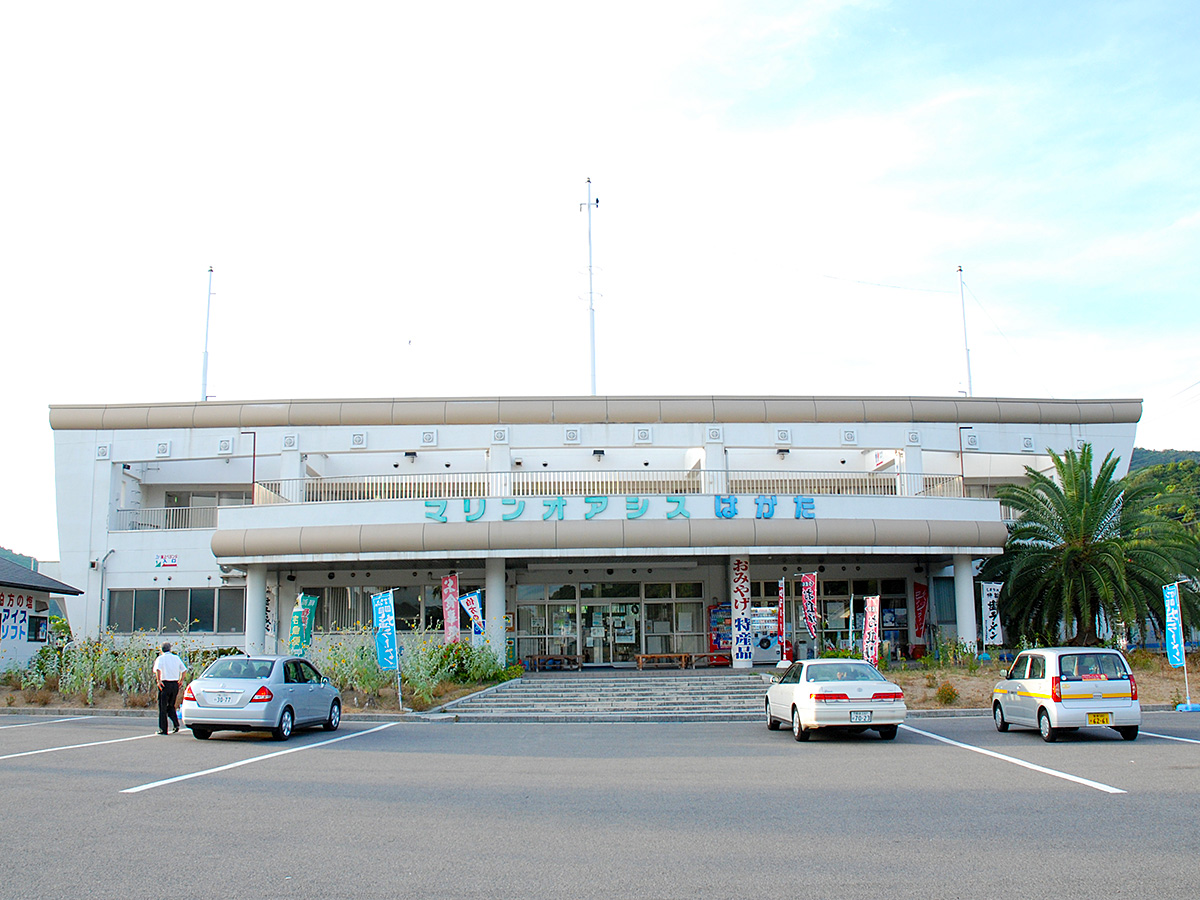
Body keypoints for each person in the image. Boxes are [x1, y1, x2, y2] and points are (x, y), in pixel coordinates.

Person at [152, 641, 188, 735]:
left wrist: (158, 680)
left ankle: (163, 729)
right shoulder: (176, 658)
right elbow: (184, 670)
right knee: (171, 705)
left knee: (162, 707)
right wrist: (181, 680)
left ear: (161, 649)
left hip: (165, 683)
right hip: (174, 684)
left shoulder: (161, 658)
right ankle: (176, 724)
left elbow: (158, 669)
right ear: (170, 649)